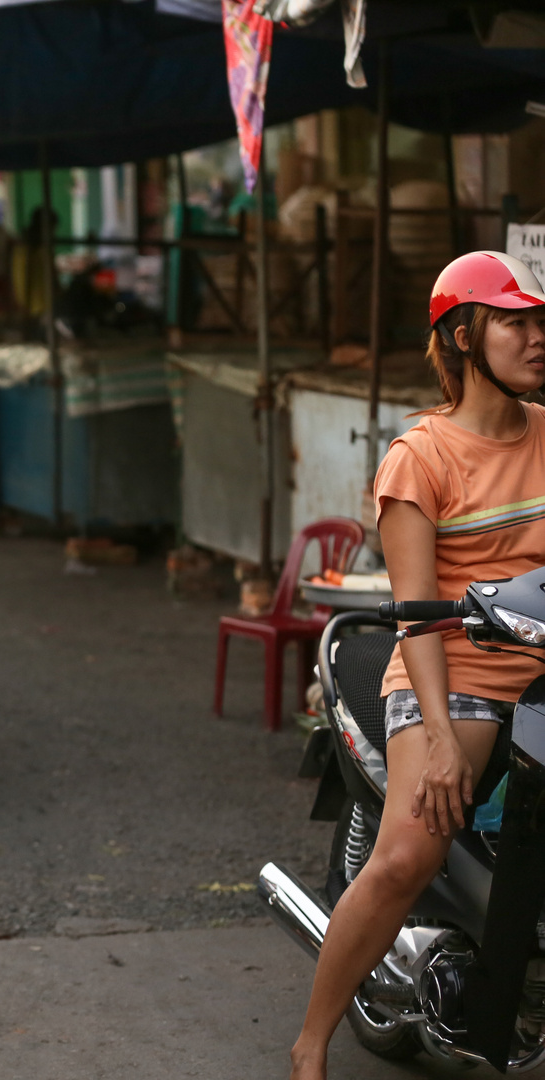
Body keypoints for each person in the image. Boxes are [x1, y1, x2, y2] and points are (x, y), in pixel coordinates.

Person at [288, 250, 545, 1080]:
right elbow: (415, 617)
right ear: (466, 336)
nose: (537, 338)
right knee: (408, 852)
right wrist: (437, 736)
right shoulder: (420, 457)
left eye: (542, 323)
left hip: (542, 667)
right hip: (457, 674)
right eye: (517, 323)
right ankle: (311, 1044)